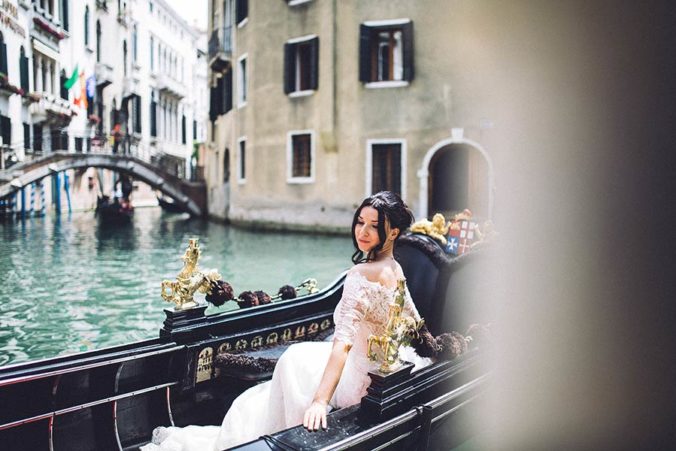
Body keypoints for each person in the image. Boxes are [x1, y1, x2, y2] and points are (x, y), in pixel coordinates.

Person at [142, 191, 431, 450]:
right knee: (300, 357)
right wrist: (435, 347)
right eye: (360, 222)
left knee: (292, 361)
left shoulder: (359, 276)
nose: (363, 231)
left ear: (392, 232)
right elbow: (414, 321)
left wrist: (319, 400)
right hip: (388, 368)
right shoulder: (395, 268)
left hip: (356, 383)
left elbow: (342, 345)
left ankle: (280, 436)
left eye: (374, 225)